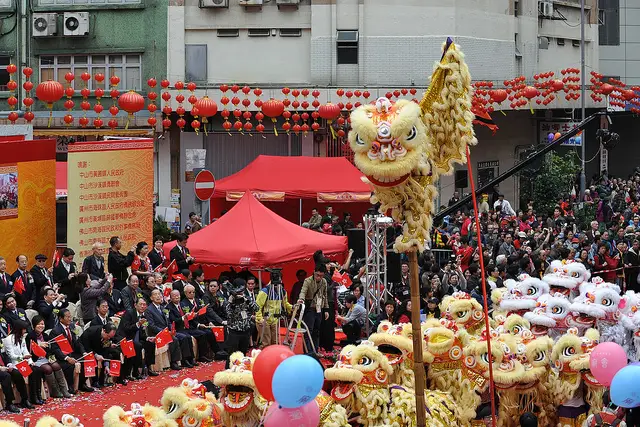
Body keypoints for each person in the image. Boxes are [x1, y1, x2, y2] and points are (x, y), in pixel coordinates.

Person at [146, 288, 192, 370]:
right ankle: (173, 362)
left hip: (167, 331)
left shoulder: (163, 307)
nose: (158, 296)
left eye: (159, 294)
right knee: (174, 339)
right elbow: (151, 326)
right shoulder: (149, 310)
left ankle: (185, 360)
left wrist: (172, 329)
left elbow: (169, 322)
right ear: (151, 298)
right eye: (155, 294)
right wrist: (164, 332)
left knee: (184, 337)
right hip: (158, 333)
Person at [51, 308, 95, 394]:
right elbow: (55, 349)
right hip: (62, 357)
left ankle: (82, 384)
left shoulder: (72, 327)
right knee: (70, 365)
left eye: (70, 317)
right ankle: (71, 386)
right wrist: (67, 358)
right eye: (67, 317)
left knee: (87, 360)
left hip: (73, 353)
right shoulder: (55, 331)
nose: (70, 319)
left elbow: (77, 342)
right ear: (61, 319)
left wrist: (83, 352)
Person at [29, 314, 72, 399]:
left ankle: (64, 389)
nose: (41, 326)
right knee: (48, 368)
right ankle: (55, 391)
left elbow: (49, 350)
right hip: (35, 359)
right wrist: (39, 346)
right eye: (39, 324)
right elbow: (28, 350)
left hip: (46, 357)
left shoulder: (45, 335)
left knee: (56, 365)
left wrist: (51, 358)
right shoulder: (30, 336)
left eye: (43, 324)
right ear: (34, 325)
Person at [2, 320, 43, 405]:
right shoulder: (8, 339)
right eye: (23, 329)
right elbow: (11, 355)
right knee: (18, 374)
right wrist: (22, 357)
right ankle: (24, 399)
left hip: (23, 362)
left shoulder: (22, 338)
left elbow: (25, 351)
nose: (25, 331)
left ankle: (36, 396)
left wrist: (30, 361)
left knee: (36, 370)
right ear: (19, 329)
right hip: (14, 363)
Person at [116, 297, 159, 379]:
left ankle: (148, 368)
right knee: (137, 346)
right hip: (126, 338)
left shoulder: (144, 315)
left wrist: (147, 338)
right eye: (141, 304)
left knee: (150, 343)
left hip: (137, 338)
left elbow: (142, 331)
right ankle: (135, 371)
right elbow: (126, 328)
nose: (143, 306)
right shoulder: (129, 313)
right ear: (135, 305)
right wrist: (137, 324)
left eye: (144, 305)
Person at [166, 289, 210, 364]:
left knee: (202, 334)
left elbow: (189, 317)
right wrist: (183, 318)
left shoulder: (183, 305)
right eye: (174, 296)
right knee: (187, 337)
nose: (177, 297)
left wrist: (193, 316)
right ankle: (187, 359)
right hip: (178, 329)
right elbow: (172, 320)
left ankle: (202, 356)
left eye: (178, 295)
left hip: (188, 327)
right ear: (170, 297)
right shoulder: (168, 308)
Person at [225, 278, 259, 366]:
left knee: (243, 354)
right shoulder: (230, 300)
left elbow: (256, 308)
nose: (241, 292)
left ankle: (240, 372)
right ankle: (229, 372)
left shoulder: (246, 298)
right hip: (234, 330)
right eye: (239, 290)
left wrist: (246, 300)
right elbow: (229, 314)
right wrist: (233, 302)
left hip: (246, 330)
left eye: (242, 290)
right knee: (232, 355)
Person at [297, 264, 330, 354]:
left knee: (317, 331)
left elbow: (325, 296)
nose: (319, 277)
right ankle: (307, 351)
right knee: (308, 330)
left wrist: (326, 309)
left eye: (321, 275)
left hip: (319, 308)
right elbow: (303, 291)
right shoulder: (308, 281)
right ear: (314, 272)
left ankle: (315, 350)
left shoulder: (324, 282)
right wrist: (301, 299)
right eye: (317, 275)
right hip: (310, 308)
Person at [255, 270, 292, 347]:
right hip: (264, 320)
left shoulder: (282, 291)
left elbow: (285, 304)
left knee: (275, 342)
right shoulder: (265, 291)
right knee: (266, 343)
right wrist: (259, 318)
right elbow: (257, 306)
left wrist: (292, 308)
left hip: (275, 320)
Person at [80, 322, 119, 388]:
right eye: (108, 336)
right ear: (104, 331)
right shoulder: (92, 332)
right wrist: (96, 355)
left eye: (110, 337)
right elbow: (87, 347)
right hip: (84, 349)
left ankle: (102, 381)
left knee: (110, 355)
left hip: (98, 349)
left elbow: (106, 349)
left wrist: (106, 365)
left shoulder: (108, 337)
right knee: (94, 359)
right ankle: (94, 382)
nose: (109, 338)